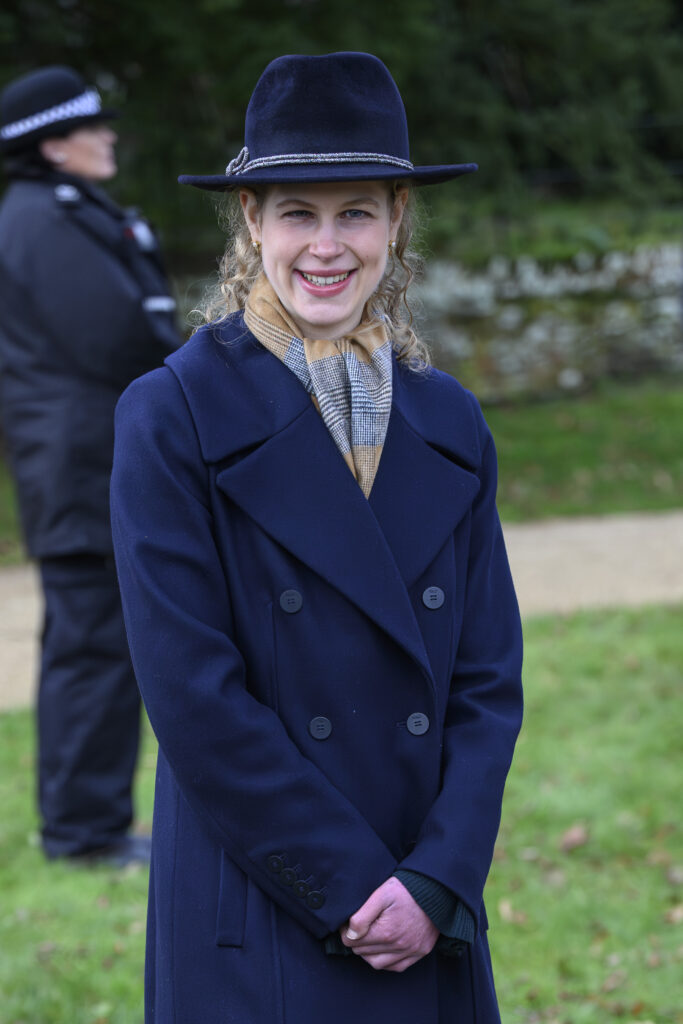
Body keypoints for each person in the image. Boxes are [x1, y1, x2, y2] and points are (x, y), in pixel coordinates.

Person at [110, 52, 523, 1023]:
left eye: (355, 212)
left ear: (395, 222)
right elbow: (192, 693)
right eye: (297, 211)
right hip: (264, 905)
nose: (326, 244)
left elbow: (485, 677)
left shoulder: (449, 419)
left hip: (422, 895)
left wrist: (436, 880)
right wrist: (345, 887)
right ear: (250, 223)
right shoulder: (171, 414)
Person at [0, 66, 181, 864]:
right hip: (79, 467)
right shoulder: (42, 220)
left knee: (94, 644)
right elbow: (114, 336)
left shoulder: (59, 212)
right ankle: (83, 833)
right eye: (92, 126)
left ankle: (87, 824)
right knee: (94, 648)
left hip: (78, 462)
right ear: (52, 145)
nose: (109, 135)